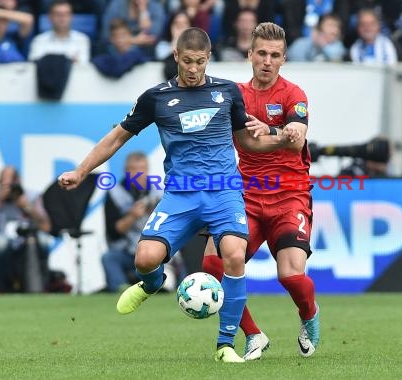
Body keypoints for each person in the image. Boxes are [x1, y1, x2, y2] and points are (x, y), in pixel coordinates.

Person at [58, 27, 301, 363]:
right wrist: (81, 171)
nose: (193, 68)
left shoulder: (227, 92)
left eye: (199, 61)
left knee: (233, 254)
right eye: (187, 61)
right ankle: (151, 284)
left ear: (208, 58)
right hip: (180, 196)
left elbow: (246, 141)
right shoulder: (155, 98)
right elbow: (116, 139)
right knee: (144, 258)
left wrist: (282, 138)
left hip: (223, 193)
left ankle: (225, 345)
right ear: (176, 57)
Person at [202, 22, 320, 360]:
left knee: (290, 274)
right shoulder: (235, 95)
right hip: (247, 197)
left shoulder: (293, 94)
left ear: (283, 59)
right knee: (212, 265)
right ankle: (253, 334)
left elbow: (296, 133)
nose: (267, 61)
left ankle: (309, 314)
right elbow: (229, 136)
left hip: (289, 195)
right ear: (249, 55)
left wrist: (271, 128)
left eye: (275, 55)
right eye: (261, 54)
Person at [101, 152, 183, 292]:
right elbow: (113, 232)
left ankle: (180, 288)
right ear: (126, 171)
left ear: (148, 170)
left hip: (153, 247)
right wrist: (132, 216)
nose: (138, 173)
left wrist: (156, 212)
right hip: (127, 251)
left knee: (178, 253)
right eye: (133, 169)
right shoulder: (115, 193)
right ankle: (121, 290)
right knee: (109, 258)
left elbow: (175, 225)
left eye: (142, 169)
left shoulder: (158, 192)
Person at [0, 166, 52, 292]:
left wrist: (26, 206)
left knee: (44, 240)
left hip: (25, 245)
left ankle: (41, 284)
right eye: (4, 184)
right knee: (0, 242)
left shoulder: (31, 196)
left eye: (12, 184)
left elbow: (46, 227)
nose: (9, 189)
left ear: (19, 182)